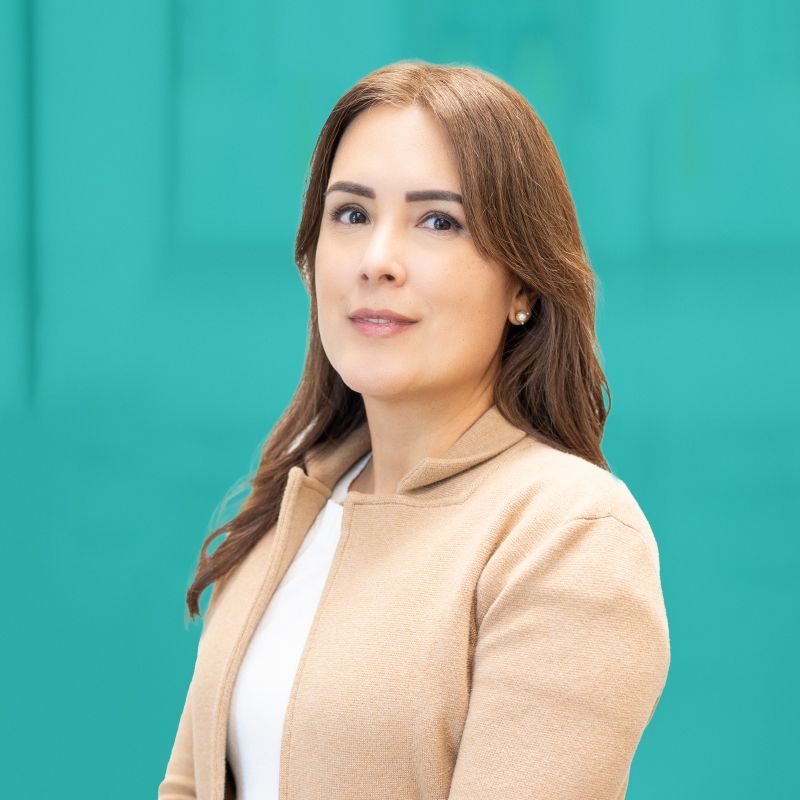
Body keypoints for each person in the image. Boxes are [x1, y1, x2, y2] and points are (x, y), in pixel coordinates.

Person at [158, 60, 670, 800]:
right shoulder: (295, 499)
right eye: (352, 214)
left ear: (522, 283)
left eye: (438, 221)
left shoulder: (568, 534)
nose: (377, 261)